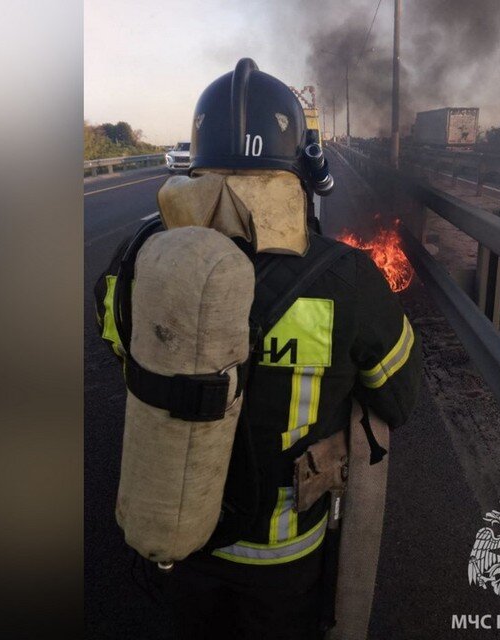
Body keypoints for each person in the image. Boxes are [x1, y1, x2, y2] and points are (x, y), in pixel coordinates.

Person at [98, 58, 421, 639]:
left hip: (179, 531)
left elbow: (120, 348)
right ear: (297, 167)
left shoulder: (138, 259)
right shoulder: (345, 278)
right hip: (283, 559)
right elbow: (398, 395)